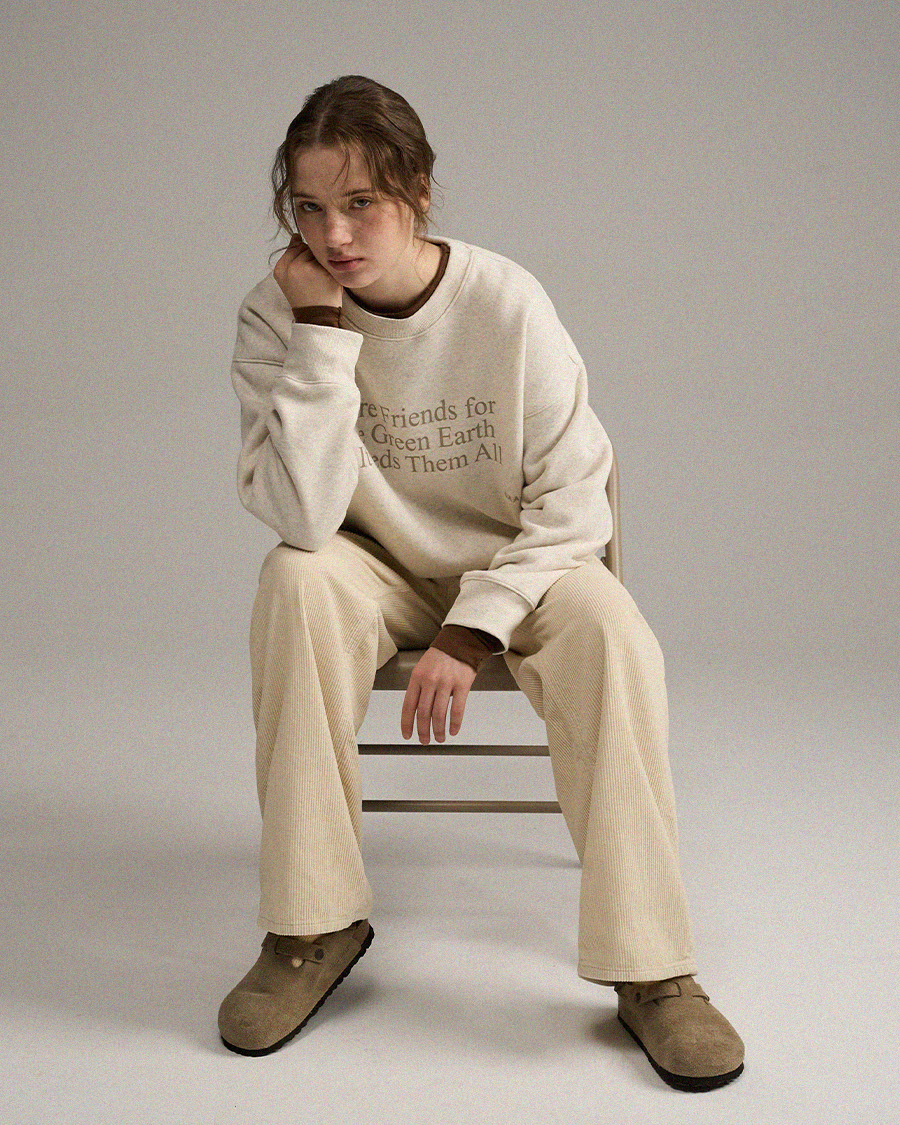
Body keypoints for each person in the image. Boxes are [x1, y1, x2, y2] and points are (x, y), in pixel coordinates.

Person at [217, 74, 745, 1092]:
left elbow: (575, 497)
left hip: (519, 566)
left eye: (361, 201)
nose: (334, 235)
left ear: (417, 190)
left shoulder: (504, 300)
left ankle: (654, 969)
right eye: (309, 208)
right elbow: (303, 516)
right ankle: (311, 926)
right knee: (294, 580)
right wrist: (322, 336)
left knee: (614, 633)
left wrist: (475, 629)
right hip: (370, 568)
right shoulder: (277, 315)